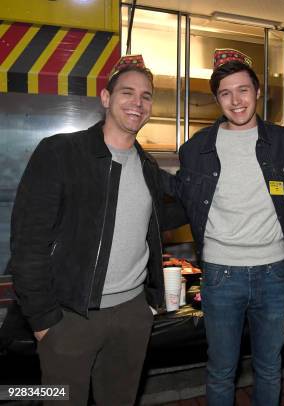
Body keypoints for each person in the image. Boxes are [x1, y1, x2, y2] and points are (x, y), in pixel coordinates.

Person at [8, 55, 184, 405]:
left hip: (132, 316)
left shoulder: (149, 169)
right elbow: (28, 243)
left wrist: (147, 307)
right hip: (70, 317)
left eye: (146, 96)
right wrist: (43, 322)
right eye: (127, 92)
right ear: (106, 98)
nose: (138, 102)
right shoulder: (61, 153)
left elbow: (165, 221)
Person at [168, 49, 284, 406]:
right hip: (221, 275)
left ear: (257, 92)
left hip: (274, 273)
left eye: (243, 90)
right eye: (225, 93)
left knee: (270, 367)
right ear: (217, 99)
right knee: (222, 370)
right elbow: (182, 201)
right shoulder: (195, 149)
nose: (236, 100)